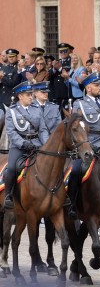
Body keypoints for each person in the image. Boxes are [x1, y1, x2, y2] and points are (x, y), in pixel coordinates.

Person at [68, 73, 100, 218]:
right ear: (88, 87)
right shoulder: (79, 104)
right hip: (88, 144)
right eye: (97, 85)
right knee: (76, 171)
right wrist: (88, 144)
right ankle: (72, 204)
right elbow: (78, 127)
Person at [3, 81, 49, 209]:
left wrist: (46, 144)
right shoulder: (11, 111)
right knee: (11, 168)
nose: (31, 97)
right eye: (28, 95)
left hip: (37, 144)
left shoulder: (37, 109)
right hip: (19, 147)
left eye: (31, 94)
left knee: (51, 163)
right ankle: (8, 196)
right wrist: (23, 144)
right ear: (20, 96)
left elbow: (43, 129)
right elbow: (11, 132)